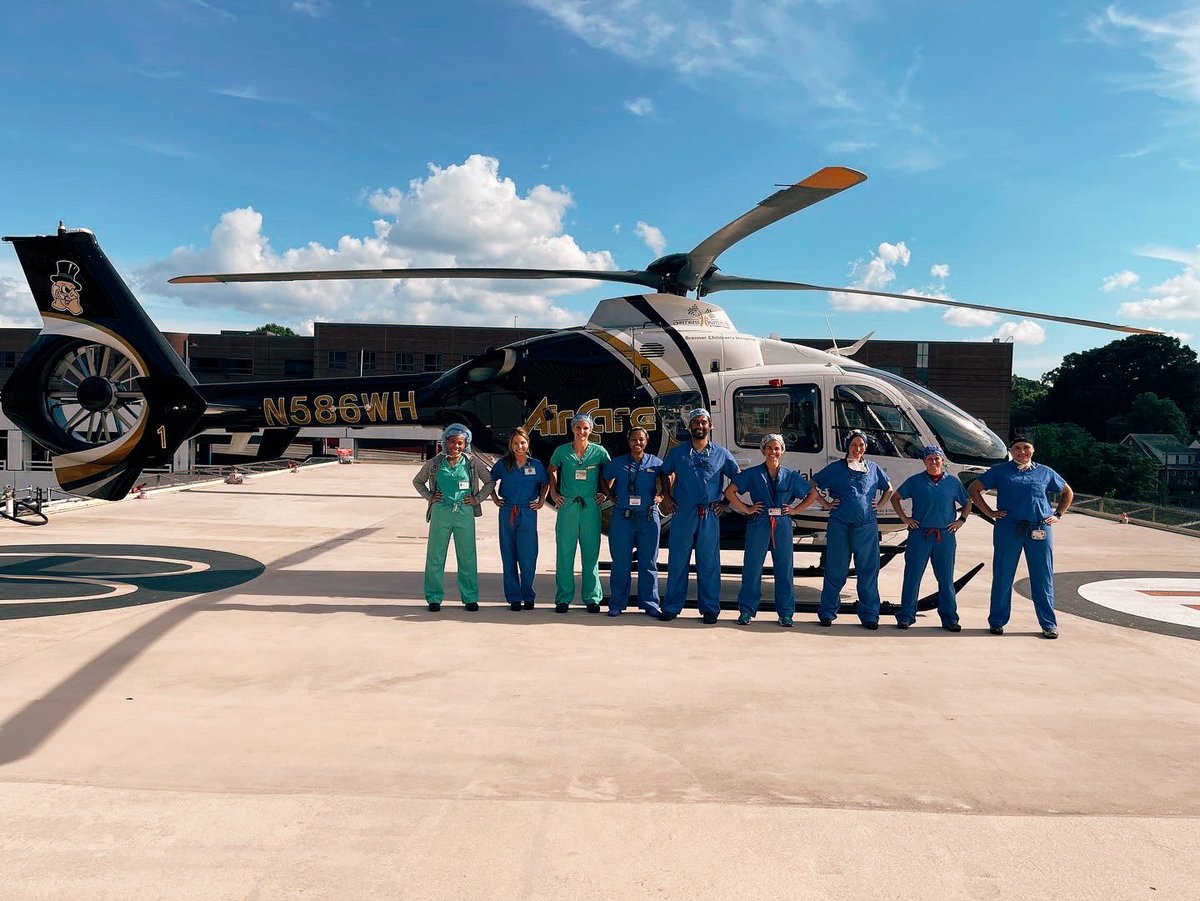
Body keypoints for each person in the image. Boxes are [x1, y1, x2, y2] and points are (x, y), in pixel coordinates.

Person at [969, 436, 1073, 639]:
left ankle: (1048, 624)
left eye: (1026, 447)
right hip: (1009, 528)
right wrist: (989, 512)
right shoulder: (1000, 471)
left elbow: (1067, 492)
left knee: (1042, 576)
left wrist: (1058, 514)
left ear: (1033, 450)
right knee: (1003, 574)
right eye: (1017, 448)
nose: (1022, 452)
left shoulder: (1045, 472)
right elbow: (974, 489)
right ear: (1011, 451)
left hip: (1039, 527)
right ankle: (997, 621)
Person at [724, 434, 823, 627]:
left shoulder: (790, 476)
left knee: (784, 569)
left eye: (776, 448)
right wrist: (747, 509)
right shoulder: (753, 474)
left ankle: (786, 613)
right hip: (759, 522)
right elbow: (729, 492)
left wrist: (795, 510)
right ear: (763, 450)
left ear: (782, 451)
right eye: (769, 448)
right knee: (752, 567)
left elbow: (812, 494)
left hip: (782, 523)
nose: (773, 452)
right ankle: (746, 611)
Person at [658, 407, 741, 624]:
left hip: (709, 513)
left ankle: (710, 608)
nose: (700, 426)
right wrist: (667, 496)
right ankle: (672, 606)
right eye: (696, 423)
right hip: (684, 512)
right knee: (678, 560)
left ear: (710, 426)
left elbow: (738, 479)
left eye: (704, 422)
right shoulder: (678, 453)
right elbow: (665, 472)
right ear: (689, 427)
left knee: (709, 562)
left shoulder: (721, 454)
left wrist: (725, 501)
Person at [807, 429, 893, 630]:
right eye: (854, 445)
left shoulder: (873, 469)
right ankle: (827, 612)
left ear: (866, 447)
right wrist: (826, 504)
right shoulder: (836, 468)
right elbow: (812, 485)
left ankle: (870, 615)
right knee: (836, 570)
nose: (857, 448)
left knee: (868, 571)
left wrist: (880, 505)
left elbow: (889, 489)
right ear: (847, 446)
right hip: (840, 526)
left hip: (866, 527)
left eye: (861, 445)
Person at [412, 423, 495, 612]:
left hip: (464, 513)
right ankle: (434, 598)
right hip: (441, 512)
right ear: (445, 442)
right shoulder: (435, 463)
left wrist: (477, 499)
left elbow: (490, 481)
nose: (455, 446)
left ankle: (470, 597)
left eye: (460, 443)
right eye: (452, 442)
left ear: (466, 444)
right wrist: (430, 496)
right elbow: (418, 481)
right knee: (435, 556)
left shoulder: (472, 463)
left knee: (467, 556)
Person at [890, 445, 972, 632]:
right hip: (920, 534)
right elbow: (895, 497)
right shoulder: (915, 481)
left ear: (942, 460)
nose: (933, 462)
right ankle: (906, 616)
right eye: (929, 459)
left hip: (945, 536)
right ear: (924, 461)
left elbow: (967, 502)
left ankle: (950, 618)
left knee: (946, 579)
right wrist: (905, 519)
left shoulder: (952, 482)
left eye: (937, 459)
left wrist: (961, 520)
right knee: (912, 576)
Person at [548, 413, 611, 613]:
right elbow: (552, 468)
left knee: (591, 553)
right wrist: (553, 492)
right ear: (572, 429)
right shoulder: (562, 451)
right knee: (565, 553)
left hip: (590, 506)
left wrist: (605, 493)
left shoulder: (599, 451)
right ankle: (563, 598)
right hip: (568, 506)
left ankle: (592, 598)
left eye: (585, 428)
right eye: (578, 428)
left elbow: (610, 471)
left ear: (590, 430)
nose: (581, 432)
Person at [602, 426, 665, 617]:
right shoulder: (618, 463)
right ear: (628, 441)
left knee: (649, 562)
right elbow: (603, 477)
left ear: (646, 441)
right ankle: (617, 603)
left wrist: (662, 496)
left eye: (641, 440)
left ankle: (650, 603)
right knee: (621, 562)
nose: (637, 443)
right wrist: (610, 495)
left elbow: (670, 477)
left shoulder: (655, 463)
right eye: (633, 440)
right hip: (623, 518)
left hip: (648, 517)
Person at [489, 428, 549, 611]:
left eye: (522, 442)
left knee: (528, 557)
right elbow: (490, 481)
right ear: (511, 445)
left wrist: (541, 501)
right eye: (515, 443)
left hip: (527, 512)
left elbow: (545, 483)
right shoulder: (503, 464)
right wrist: (495, 499)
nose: (519, 446)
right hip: (508, 511)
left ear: (527, 443)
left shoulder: (536, 465)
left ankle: (528, 595)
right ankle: (514, 597)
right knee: (509, 556)